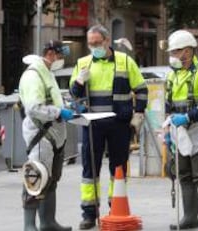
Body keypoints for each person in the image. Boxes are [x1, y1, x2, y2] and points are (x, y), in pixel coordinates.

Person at [69, 24, 148, 230]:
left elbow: (141, 89)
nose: (93, 47)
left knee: (118, 168)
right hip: (92, 124)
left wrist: (138, 113)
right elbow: (74, 94)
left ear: (106, 41)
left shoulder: (124, 61)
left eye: (97, 43)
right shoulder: (83, 63)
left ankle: (117, 208)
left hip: (119, 124)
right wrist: (78, 81)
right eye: (90, 43)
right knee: (89, 170)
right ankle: (89, 213)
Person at [164, 30, 198, 231]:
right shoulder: (171, 76)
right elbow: (167, 106)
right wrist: (167, 131)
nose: (173, 56)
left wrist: (187, 117)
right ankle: (190, 218)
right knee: (184, 175)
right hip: (178, 132)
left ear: (187, 51)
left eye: (176, 51)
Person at [18, 40, 73, 231]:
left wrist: (68, 107)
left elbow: (53, 99)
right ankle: (29, 225)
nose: (61, 60)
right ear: (50, 53)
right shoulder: (33, 75)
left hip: (54, 134)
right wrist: (59, 113)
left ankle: (48, 222)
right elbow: (33, 108)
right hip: (41, 135)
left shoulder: (47, 72)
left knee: (51, 178)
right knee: (36, 177)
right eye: (60, 55)